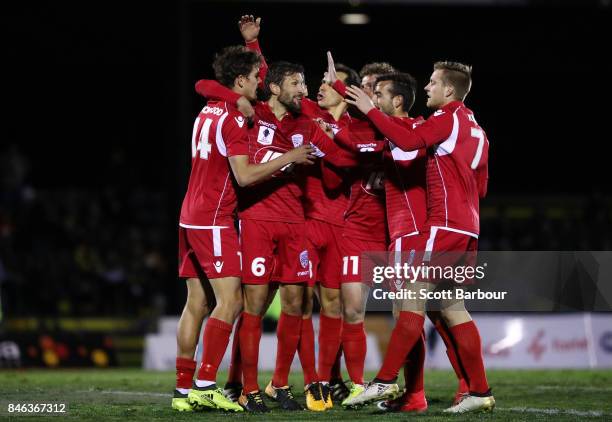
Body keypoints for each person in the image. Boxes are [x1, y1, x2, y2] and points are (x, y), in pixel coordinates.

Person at [344, 61, 494, 414]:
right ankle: (479, 391)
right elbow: (483, 186)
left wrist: (368, 109)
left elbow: (411, 139)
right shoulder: (478, 129)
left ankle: (383, 380)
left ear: (450, 92)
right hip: (469, 227)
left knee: (411, 302)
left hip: (442, 223)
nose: (427, 88)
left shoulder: (447, 118)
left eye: (433, 82)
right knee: (452, 307)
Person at [173, 44, 315, 413]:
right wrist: (290, 157)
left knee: (197, 302)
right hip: (215, 216)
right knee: (232, 301)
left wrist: (253, 44)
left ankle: (182, 391)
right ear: (240, 80)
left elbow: (205, 85)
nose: (260, 82)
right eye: (255, 78)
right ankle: (206, 384)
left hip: (190, 213)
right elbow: (244, 174)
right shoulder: (235, 118)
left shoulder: (208, 109)